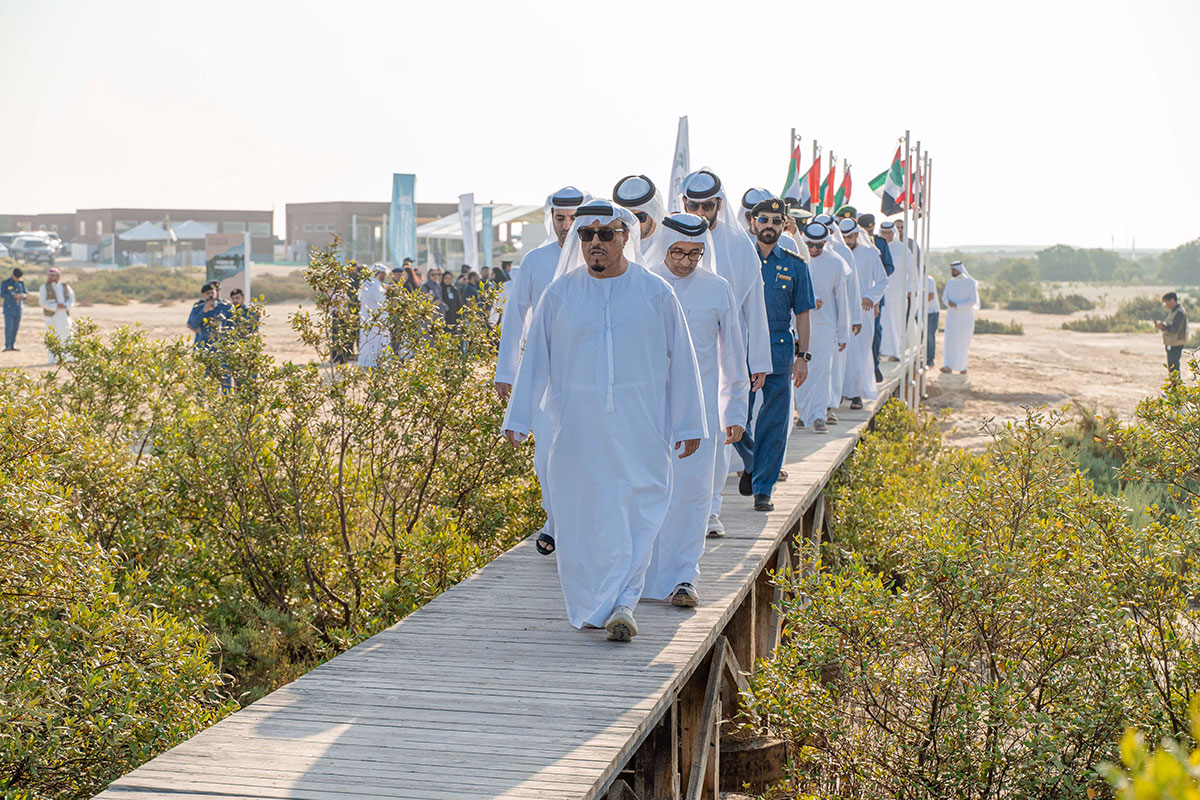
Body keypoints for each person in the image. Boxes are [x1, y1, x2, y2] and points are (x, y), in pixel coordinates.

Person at [502, 200, 705, 641]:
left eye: (606, 234)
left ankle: (625, 602)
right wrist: (518, 417)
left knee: (640, 509)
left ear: (625, 237)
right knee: (584, 517)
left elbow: (685, 365)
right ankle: (598, 602)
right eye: (586, 235)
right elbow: (534, 359)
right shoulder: (559, 295)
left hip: (642, 427)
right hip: (578, 431)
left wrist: (690, 424)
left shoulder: (656, 293)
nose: (595, 242)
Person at [643, 212, 748, 604]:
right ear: (664, 246)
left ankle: (685, 576)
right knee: (648, 492)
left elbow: (733, 359)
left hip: (701, 414)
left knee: (693, 495)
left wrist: (736, 410)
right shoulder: (643, 285)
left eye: (695, 254)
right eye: (678, 253)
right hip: (649, 411)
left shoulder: (717, 289)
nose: (686, 262)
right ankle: (640, 574)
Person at [495, 186, 590, 556]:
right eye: (560, 219)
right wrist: (507, 371)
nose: (567, 226)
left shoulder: (596, 256)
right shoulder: (536, 261)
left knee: (584, 452)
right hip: (545, 373)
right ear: (551, 219)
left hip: (586, 373)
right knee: (546, 454)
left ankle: (576, 523)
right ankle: (555, 520)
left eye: (573, 219)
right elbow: (515, 315)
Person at [679, 169, 770, 533]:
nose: (701, 211)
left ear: (720, 204)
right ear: (684, 203)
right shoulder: (674, 237)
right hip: (682, 356)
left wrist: (758, 360)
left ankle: (711, 509)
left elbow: (755, 307)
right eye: (693, 204)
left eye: (708, 204)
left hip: (725, 358)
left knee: (718, 435)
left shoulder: (738, 245)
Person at [733, 199, 814, 512]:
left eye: (776, 221)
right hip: (742, 347)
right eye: (764, 219)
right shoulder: (739, 259)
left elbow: (804, 312)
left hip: (779, 347)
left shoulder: (795, 265)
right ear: (753, 222)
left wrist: (803, 356)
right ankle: (753, 461)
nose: (769, 226)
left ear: (784, 225)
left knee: (775, 423)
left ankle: (763, 488)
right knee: (736, 414)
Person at [792, 222, 853, 434]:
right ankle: (803, 412)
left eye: (819, 245)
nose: (814, 250)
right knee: (799, 368)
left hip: (826, 326)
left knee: (821, 371)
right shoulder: (797, 258)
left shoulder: (835, 263)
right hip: (798, 324)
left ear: (825, 243)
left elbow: (841, 301)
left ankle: (818, 416)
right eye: (810, 245)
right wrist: (810, 300)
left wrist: (843, 333)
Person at [839, 219, 887, 409]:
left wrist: (871, 297)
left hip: (863, 310)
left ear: (857, 235)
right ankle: (840, 393)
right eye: (843, 237)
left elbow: (882, 281)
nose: (846, 240)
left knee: (859, 352)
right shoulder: (837, 253)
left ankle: (857, 394)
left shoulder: (870, 254)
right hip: (842, 310)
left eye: (849, 237)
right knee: (842, 352)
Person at [857, 213, 894, 382]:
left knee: (876, 332)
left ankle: (875, 366)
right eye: (866, 229)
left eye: (871, 229)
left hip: (875, 294)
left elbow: (889, 266)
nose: (869, 232)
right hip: (859, 294)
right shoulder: (854, 243)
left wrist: (875, 277)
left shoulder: (880, 242)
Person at [940, 260, 979, 374]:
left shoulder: (970, 283)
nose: (952, 272)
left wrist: (958, 305)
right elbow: (944, 297)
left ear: (960, 270)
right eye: (951, 270)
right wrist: (949, 303)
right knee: (950, 341)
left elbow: (973, 300)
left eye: (954, 270)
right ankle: (948, 366)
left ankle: (962, 367)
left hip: (965, 317)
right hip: (952, 317)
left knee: (962, 341)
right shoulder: (950, 282)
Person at [876, 220, 907, 361]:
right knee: (881, 322)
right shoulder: (877, 247)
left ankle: (894, 352)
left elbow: (912, 270)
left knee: (895, 322)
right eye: (884, 233)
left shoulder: (903, 249)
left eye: (889, 233)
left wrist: (913, 288)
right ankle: (880, 351)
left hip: (897, 292)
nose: (887, 235)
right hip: (880, 291)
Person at [613, 175, 665, 257]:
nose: (633, 224)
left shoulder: (670, 246)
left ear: (653, 213)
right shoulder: (614, 246)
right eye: (627, 219)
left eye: (639, 218)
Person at [357, 264, 390, 368]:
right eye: (383, 274)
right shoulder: (374, 284)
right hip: (376, 318)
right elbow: (379, 301)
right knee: (378, 341)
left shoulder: (367, 282)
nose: (384, 276)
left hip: (368, 318)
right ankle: (375, 363)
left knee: (368, 341)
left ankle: (368, 362)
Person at [187, 282, 232, 348]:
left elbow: (231, 325)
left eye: (212, 293)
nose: (211, 295)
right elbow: (193, 325)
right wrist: (203, 312)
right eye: (208, 293)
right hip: (202, 345)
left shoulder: (225, 307)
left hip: (220, 346)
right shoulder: (198, 308)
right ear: (203, 295)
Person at [1155, 291, 1189, 377]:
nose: (1165, 305)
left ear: (1172, 300)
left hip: (1176, 343)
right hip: (1171, 343)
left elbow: (1176, 329)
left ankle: (1176, 387)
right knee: (1171, 367)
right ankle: (1174, 387)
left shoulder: (1179, 312)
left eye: (1166, 302)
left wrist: (1163, 327)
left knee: (1174, 367)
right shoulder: (1174, 311)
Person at [2, 267, 27, 351]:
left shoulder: (21, 283)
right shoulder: (6, 282)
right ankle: (7, 345)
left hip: (18, 309)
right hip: (9, 309)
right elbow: (2, 294)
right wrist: (13, 296)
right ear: (13, 275)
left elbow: (26, 293)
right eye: (16, 277)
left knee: (15, 328)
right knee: (9, 328)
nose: (17, 279)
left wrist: (23, 296)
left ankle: (12, 345)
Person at [926, 273, 941, 368]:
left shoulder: (929, 280)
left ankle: (930, 358)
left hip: (932, 311)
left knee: (930, 334)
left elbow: (930, 296)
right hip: (921, 312)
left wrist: (919, 303)